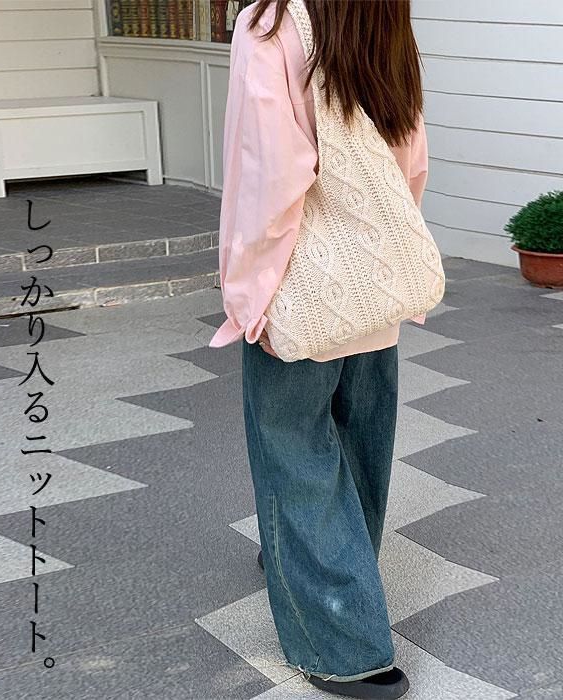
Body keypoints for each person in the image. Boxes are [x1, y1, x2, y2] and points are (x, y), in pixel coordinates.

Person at [208, 1, 429, 697]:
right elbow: (409, 154)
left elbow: (268, 178)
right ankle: (331, 571)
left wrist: (246, 292)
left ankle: (343, 642)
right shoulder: (382, 12)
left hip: (298, 286)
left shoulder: (269, 23)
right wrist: (379, 260)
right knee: (361, 437)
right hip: (370, 282)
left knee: (295, 451)